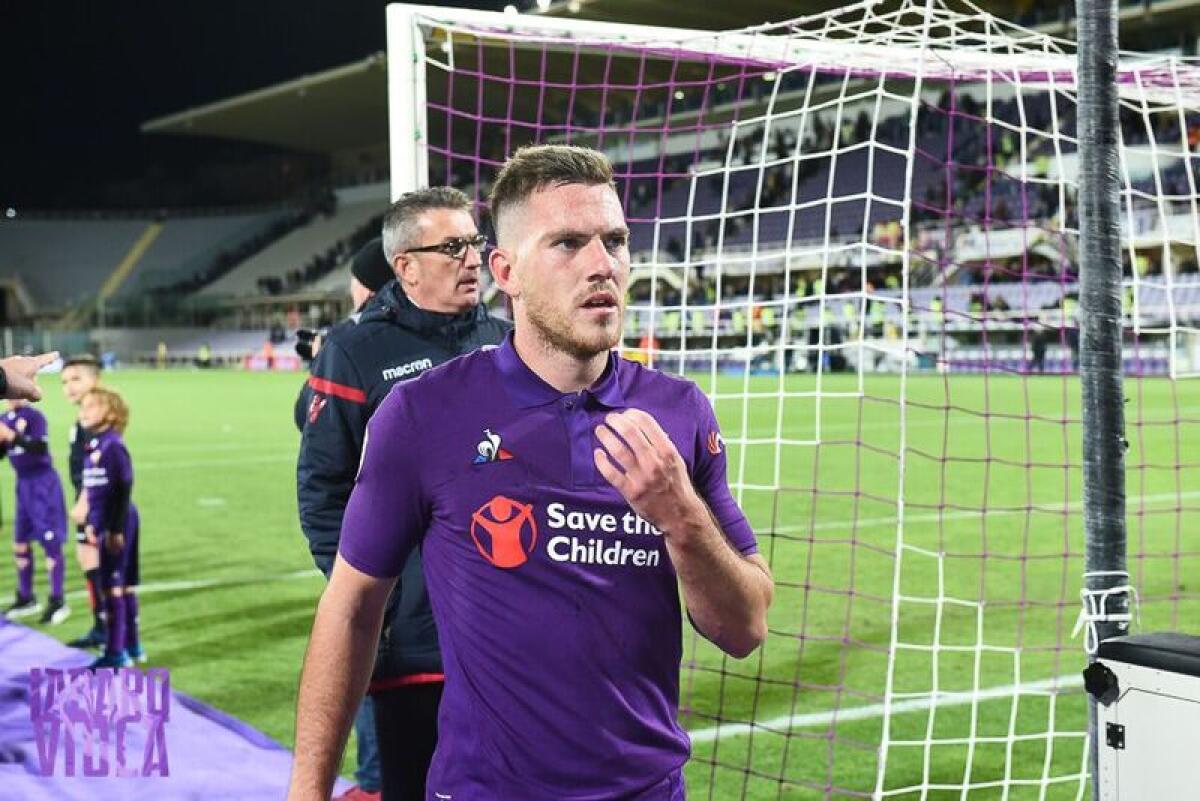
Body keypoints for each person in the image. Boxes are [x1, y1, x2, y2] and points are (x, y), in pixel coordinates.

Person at [288, 145, 773, 801]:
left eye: (615, 241)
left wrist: (683, 517)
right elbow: (350, 609)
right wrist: (308, 789)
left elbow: (744, 629)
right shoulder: (423, 414)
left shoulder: (679, 412)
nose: (602, 264)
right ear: (505, 271)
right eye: (568, 243)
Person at [296, 190, 511, 801]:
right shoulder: (355, 351)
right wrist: (374, 598)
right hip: (414, 641)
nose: (472, 258)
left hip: (507, 634)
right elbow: (323, 489)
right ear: (406, 266)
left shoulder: (509, 340)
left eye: (474, 242)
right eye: (452, 246)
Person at [75, 387, 143, 669]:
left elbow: (124, 485)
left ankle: (115, 654)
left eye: (91, 406)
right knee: (120, 584)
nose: (84, 411)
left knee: (112, 586)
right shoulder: (95, 444)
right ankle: (132, 646)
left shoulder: (113, 445)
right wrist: (92, 523)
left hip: (118, 520)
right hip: (104, 520)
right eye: (83, 406)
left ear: (111, 413)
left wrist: (115, 529)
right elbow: (95, 491)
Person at [0, 399, 70, 624]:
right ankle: (26, 597)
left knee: (51, 543)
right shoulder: (4, 419)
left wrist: (11, 436)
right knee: (20, 543)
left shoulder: (34, 416)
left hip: (43, 484)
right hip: (23, 486)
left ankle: (58, 600)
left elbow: (40, 447)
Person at [60, 355, 108, 648]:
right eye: (65, 381)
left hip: (97, 501)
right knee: (88, 559)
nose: (69, 386)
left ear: (95, 379)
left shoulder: (96, 415)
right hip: (88, 497)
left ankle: (112, 634)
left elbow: (100, 461)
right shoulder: (83, 414)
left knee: (101, 564)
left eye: (76, 379)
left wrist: (86, 501)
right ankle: (102, 629)